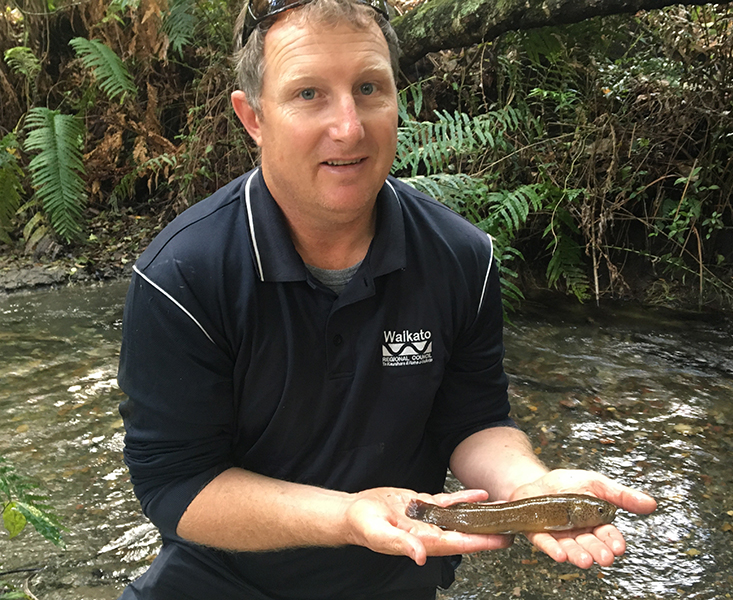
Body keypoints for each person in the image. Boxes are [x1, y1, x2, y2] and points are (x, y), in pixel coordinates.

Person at [115, 0, 657, 598]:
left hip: (396, 575)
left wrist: (527, 488)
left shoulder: (461, 257)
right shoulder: (182, 275)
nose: (349, 126)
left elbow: (474, 421)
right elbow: (176, 486)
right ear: (254, 117)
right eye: (308, 94)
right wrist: (346, 516)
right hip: (218, 581)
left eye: (369, 87)